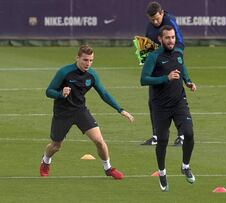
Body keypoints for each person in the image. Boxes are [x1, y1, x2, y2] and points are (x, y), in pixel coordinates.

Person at [39, 45, 134, 180]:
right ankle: (46, 161)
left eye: (91, 60)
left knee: (99, 141)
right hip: (63, 113)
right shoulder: (64, 72)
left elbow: (104, 93)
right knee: (55, 146)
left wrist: (120, 109)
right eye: (85, 60)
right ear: (77, 58)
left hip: (80, 111)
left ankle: (108, 168)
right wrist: (60, 94)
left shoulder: (92, 75)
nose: (88, 64)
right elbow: (49, 91)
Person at [140, 25, 197, 191]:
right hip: (160, 106)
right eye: (167, 38)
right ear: (160, 39)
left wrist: (188, 81)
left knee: (189, 133)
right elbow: (144, 79)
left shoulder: (179, 52)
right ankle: (162, 172)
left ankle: (185, 166)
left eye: (173, 37)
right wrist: (166, 77)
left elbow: (182, 66)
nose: (171, 40)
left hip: (179, 102)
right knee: (163, 140)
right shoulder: (154, 56)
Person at [141, 1, 186, 146]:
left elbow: (179, 42)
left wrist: (173, 58)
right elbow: (149, 46)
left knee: (175, 98)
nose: (155, 22)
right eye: (151, 19)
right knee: (152, 101)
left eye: (157, 18)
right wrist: (145, 57)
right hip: (157, 64)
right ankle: (156, 136)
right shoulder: (150, 26)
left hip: (171, 61)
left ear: (162, 13)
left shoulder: (169, 21)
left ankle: (182, 135)